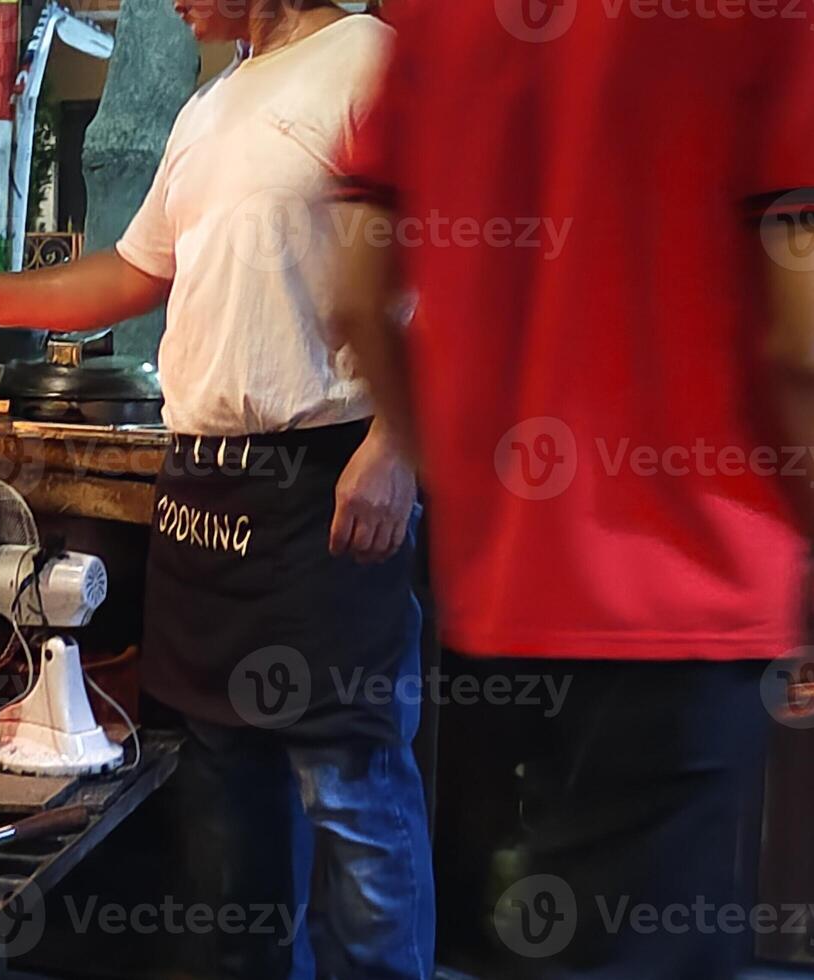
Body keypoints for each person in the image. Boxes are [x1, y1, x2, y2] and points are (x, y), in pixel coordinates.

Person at [0, 2, 433, 977]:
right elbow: (127, 277)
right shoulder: (208, 107)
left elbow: (448, 267)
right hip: (202, 491)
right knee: (222, 799)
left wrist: (393, 447)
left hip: (322, 481)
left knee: (350, 795)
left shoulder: (368, 59)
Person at [330, 7, 814, 978]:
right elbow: (798, 340)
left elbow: (352, 288)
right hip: (690, 585)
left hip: (498, 598)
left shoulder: (433, 18)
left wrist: (458, 483)